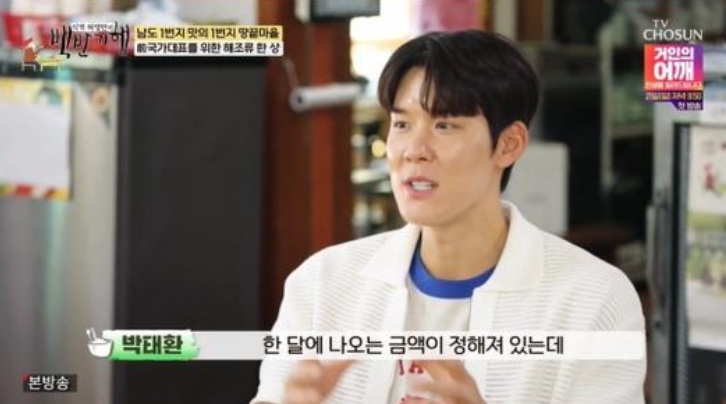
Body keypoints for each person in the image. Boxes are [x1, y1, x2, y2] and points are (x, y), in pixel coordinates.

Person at [251, 30, 646, 404]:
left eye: (444, 125)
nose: (414, 150)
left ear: (508, 145)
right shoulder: (322, 285)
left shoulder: (595, 299)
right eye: (402, 124)